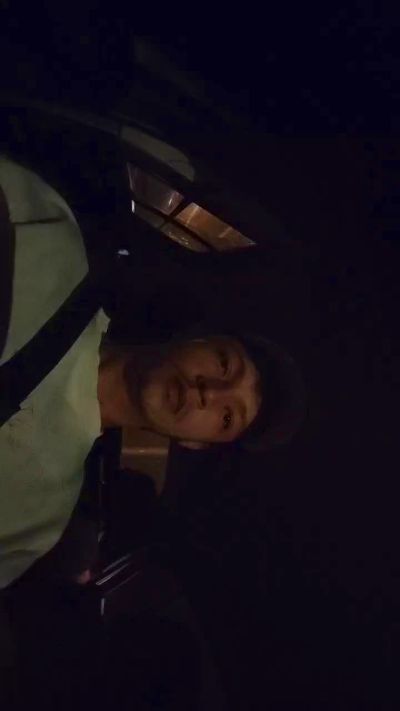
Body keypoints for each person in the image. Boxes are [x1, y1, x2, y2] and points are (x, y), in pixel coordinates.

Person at [0, 155, 306, 589]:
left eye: (226, 417)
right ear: (196, 338)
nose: (209, 392)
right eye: (224, 364)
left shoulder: (42, 513)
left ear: (195, 443)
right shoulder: (52, 244)